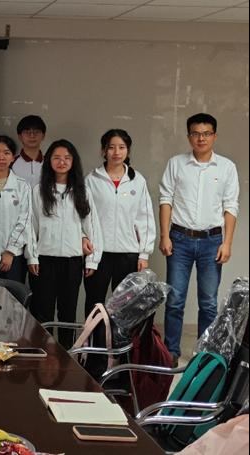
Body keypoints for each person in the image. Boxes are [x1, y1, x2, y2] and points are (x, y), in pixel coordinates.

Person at [159, 113, 239, 365]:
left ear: (214, 136)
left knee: (208, 303)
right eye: (195, 133)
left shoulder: (226, 167)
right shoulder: (176, 164)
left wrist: (227, 243)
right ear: (188, 136)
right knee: (175, 300)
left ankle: (203, 355)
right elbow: (165, 199)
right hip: (179, 239)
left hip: (211, 241)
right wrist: (164, 235)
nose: (201, 138)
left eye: (206, 133)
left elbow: (231, 206)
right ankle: (171, 352)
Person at [26, 139, 101, 349]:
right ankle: (43, 352)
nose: (62, 162)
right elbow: (30, 226)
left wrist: (92, 260)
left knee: (68, 312)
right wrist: (32, 256)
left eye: (67, 158)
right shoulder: (39, 191)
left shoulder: (82, 191)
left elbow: (91, 226)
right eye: (57, 158)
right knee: (43, 311)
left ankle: (67, 354)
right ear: (49, 161)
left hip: (72, 261)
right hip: (44, 261)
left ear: (73, 161)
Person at [84, 129, 155, 316]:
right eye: (111, 147)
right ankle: (94, 336)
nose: (116, 152)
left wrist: (144, 254)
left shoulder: (137, 180)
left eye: (122, 147)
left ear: (128, 151)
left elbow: (145, 218)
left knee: (125, 306)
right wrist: (85, 239)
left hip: (128, 253)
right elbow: (83, 215)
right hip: (98, 254)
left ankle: (120, 337)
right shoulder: (92, 180)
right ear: (103, 151)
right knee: (94, 302)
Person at [0, 135, 31, 284]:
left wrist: (10, 251)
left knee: (12, 295)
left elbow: (25, 220)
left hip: (13, 257)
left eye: (6, 153)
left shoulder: (22, 186)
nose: (1, 157)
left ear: (13, 158)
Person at [13, 115, 46, 187]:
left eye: (36, 132)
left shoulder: (50, 162)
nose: (32, 136)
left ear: (43, 136)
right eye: (27, 132)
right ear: (20, 137)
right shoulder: (11, 163)